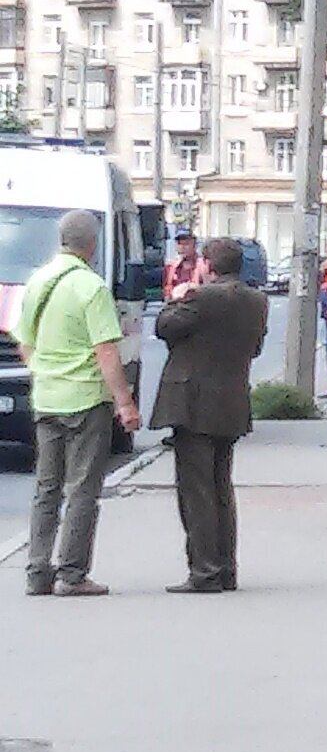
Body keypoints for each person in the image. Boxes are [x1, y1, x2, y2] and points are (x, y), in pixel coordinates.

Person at [14, 209, 141, 597]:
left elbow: (24, 342)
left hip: (47, 398)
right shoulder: (91, 287)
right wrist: (125, 402)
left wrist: (47, 372)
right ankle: (72, 574)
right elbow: (106, 351)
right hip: (86, 400)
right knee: (83, 488)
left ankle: (37, 572)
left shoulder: (37, 281)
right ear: (92, 243)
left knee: (46, 489)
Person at [150, 238, 269, 593]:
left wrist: (180, 294)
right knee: (220, 488)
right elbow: (257, 347)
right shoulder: (257, 301)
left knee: (196, 491)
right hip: (231, 401)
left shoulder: (201, 297)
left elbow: (164, 327)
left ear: (208, 265)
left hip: (192, 403)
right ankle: (226, 568)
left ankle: (204, 570)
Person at [162, 229, 209, 301]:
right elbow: (167, 292)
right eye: (179, 244)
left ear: (194, 246)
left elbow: (208, 290)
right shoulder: (170, 267)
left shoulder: (203, 265)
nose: (182, 247)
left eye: (186, 244)